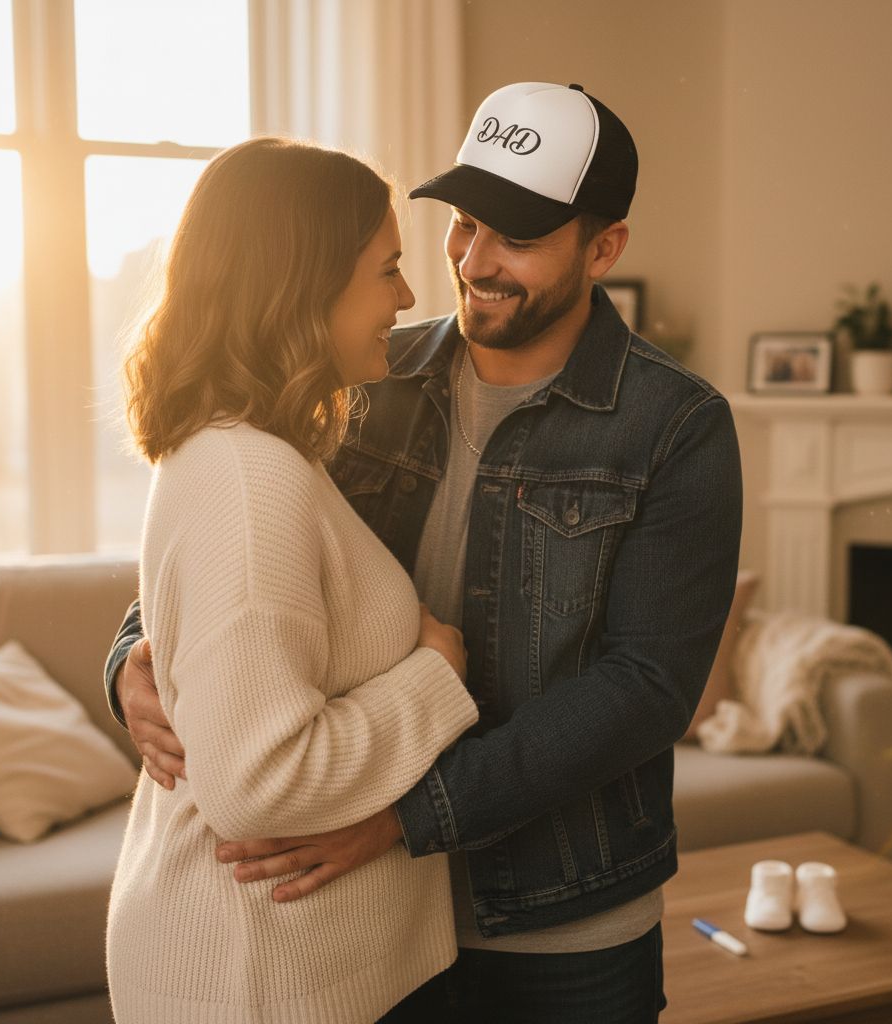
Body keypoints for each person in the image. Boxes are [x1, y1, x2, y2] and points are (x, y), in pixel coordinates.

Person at [106, 83, 743, 1023]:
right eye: (463, 223)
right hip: (375, 930)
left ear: (603, 248)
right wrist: (128, 658)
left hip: (558, 921)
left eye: (516, 236)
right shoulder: (361, 369)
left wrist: (407, 820)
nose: (472, 262)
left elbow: (646, 688)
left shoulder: (676, 426)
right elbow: (227, 549)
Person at [104, 137, 480, 1024]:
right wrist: (438, 674)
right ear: (303, 284)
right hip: (254, 979)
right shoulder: (248, 480)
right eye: (386, 269)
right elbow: (258, 785)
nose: (409, 297)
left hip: (278, 969)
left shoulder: (255, 456)